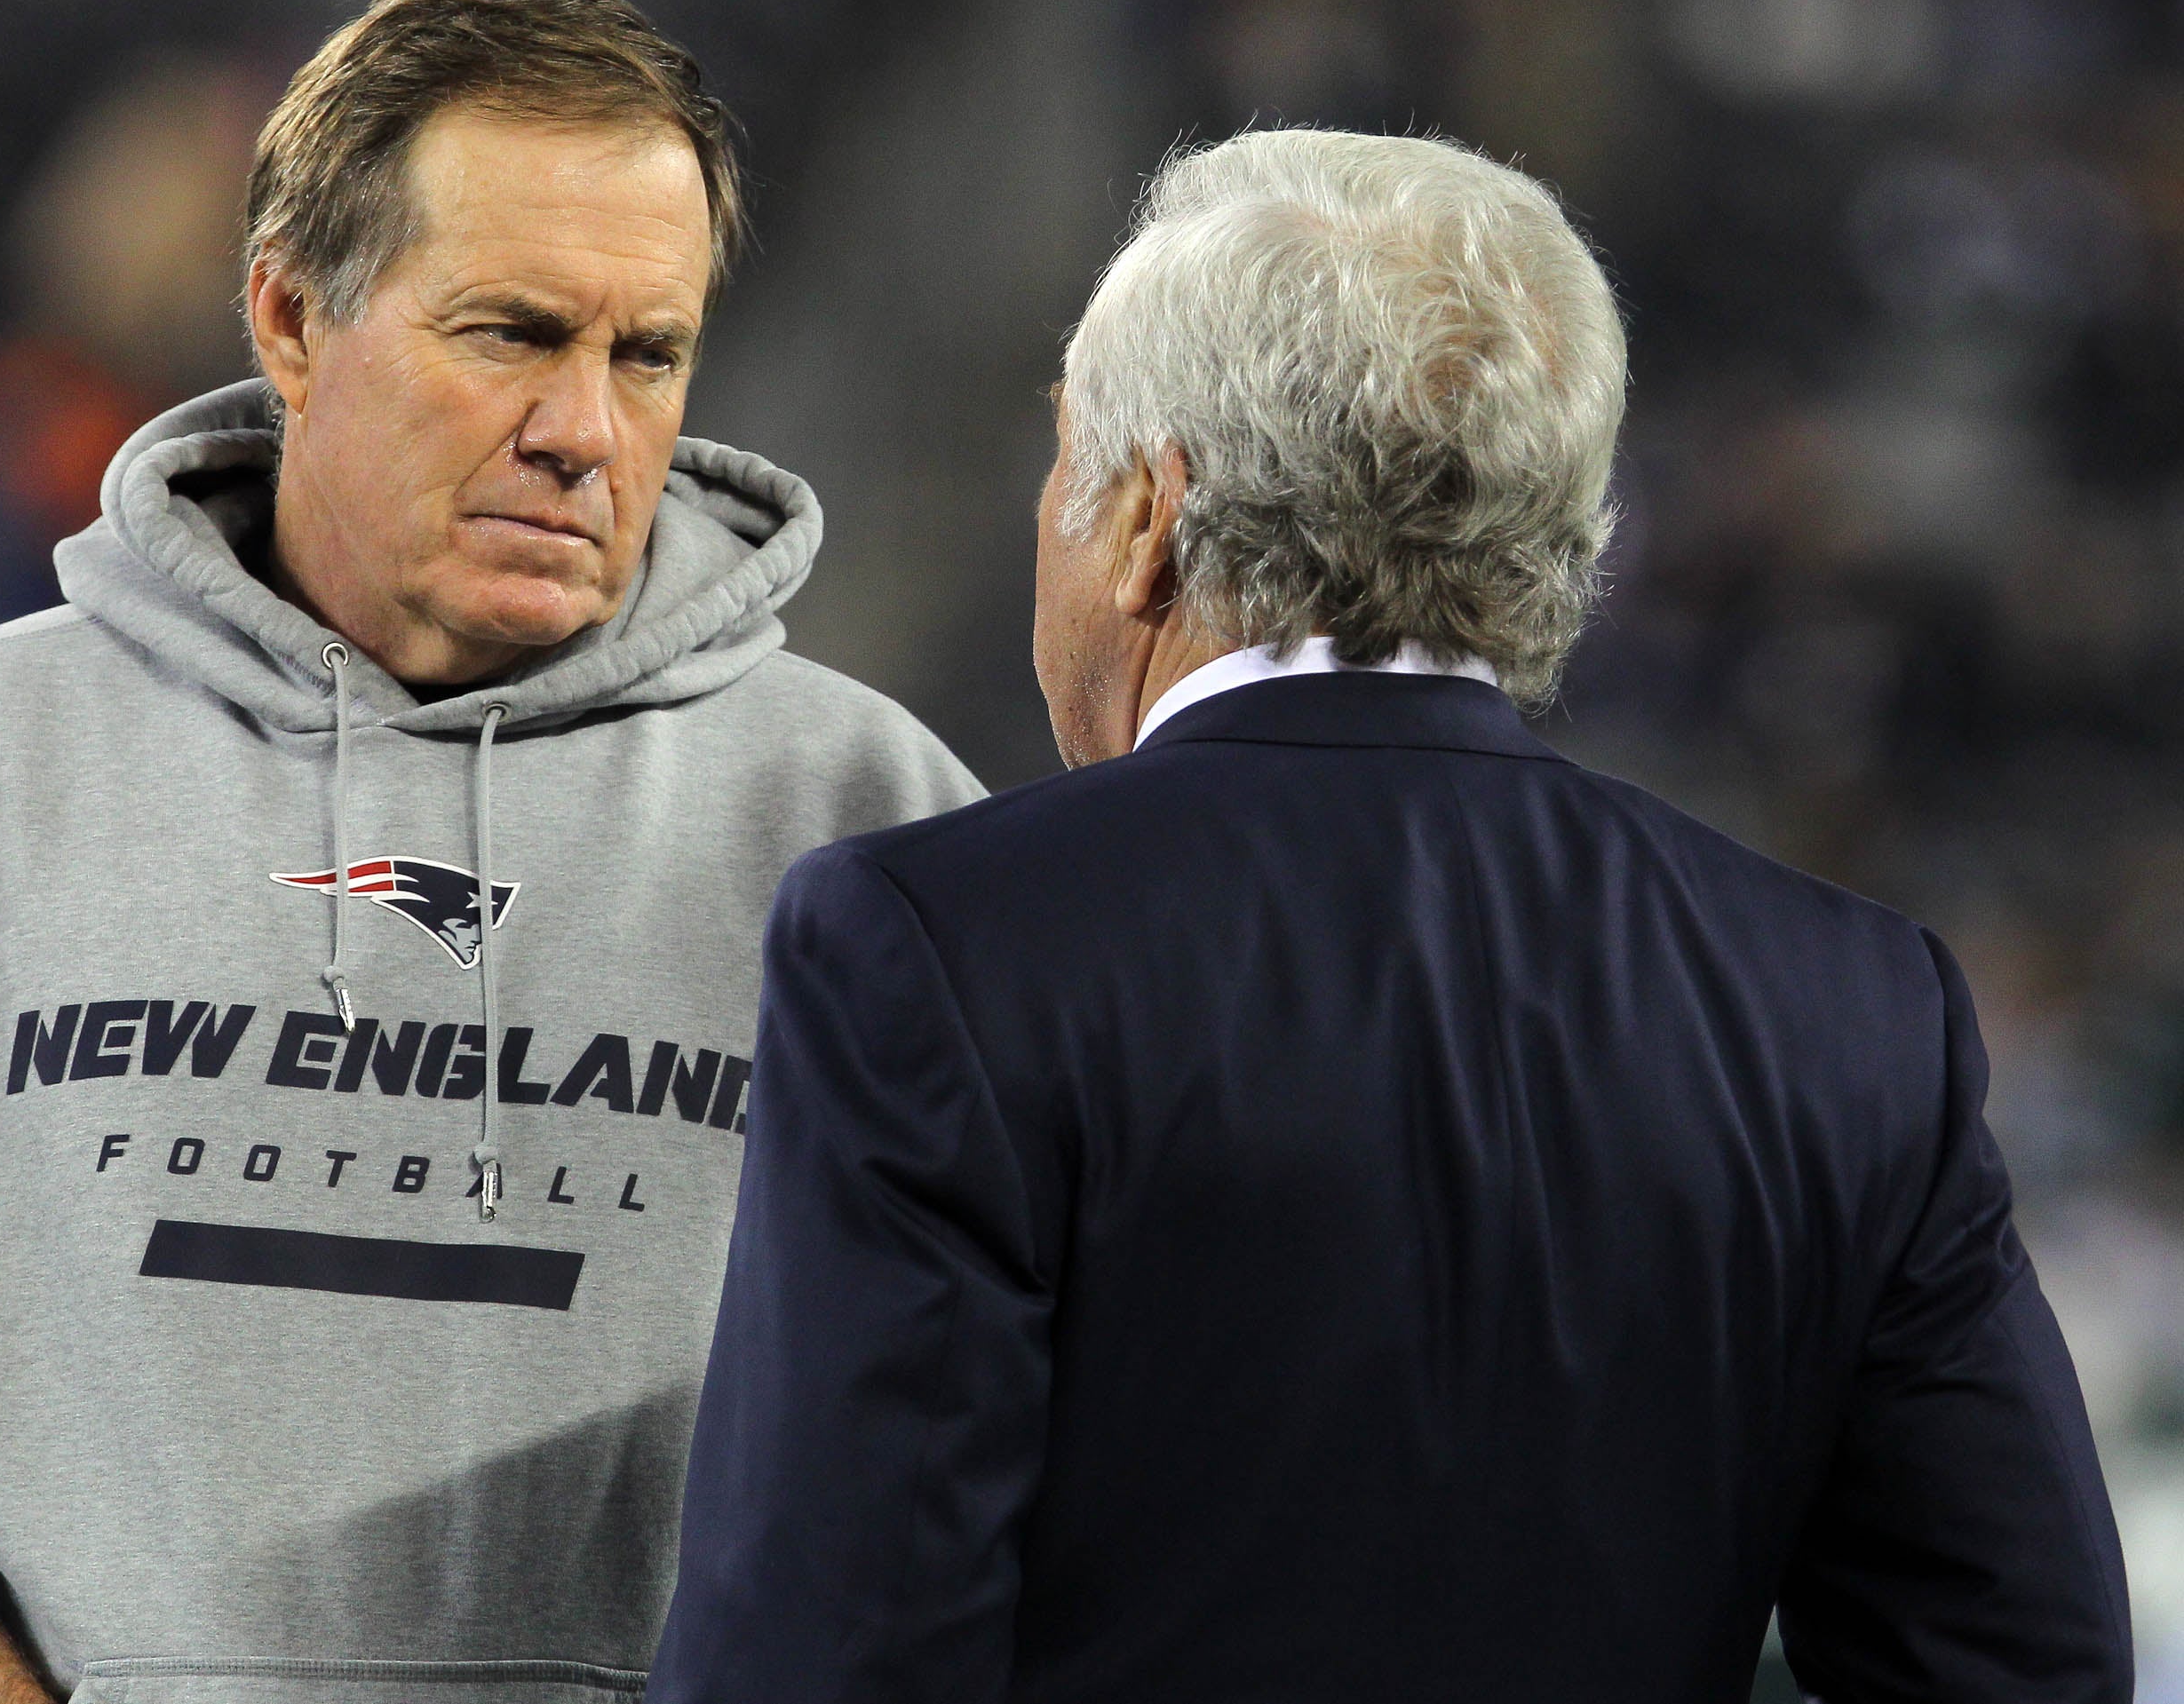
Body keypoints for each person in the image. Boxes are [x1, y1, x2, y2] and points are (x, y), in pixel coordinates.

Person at [0, 0, 981, 1704]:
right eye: (513, 331)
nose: (586, 431)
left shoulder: (876, 822)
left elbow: (1033, 1426)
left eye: (648, 351)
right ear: (292, 320)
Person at [647, 128, 2131, 1704]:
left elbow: (818, 1658)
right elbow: (2021, 1664)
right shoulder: (1849, 1010)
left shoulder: (937, 948)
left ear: (1150, 513)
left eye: (1061, 456)